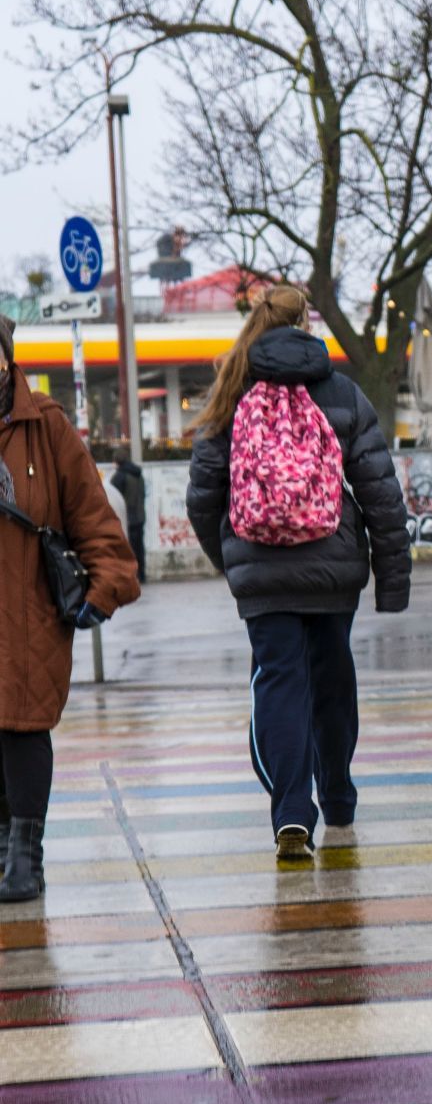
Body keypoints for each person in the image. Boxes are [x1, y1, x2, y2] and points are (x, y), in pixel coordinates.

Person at [187, 284, 411, 865]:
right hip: (334, 569)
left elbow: (202, 496)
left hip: (260, 572)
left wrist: (232, 559)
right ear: (307, 324)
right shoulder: (341, 392)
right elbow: (381, 495)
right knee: (332, 680)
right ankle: (336, 796)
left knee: (278, 682)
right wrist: (392, 579)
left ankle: (291, 810)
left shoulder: (230, 394)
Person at [0, 313, 140, 902]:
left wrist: (104, 588)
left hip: (29, 609)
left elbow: (92, 516)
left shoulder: (46, 426)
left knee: (24, 726)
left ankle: (25, 854)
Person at [110, 442, 147, 580]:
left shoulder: (119, 476)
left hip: (127, 518)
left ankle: (130, 575)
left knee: (128, 549)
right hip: (140, 515)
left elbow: (114, 498)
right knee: (139, 547)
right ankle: (142, 574)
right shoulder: (138, 474)